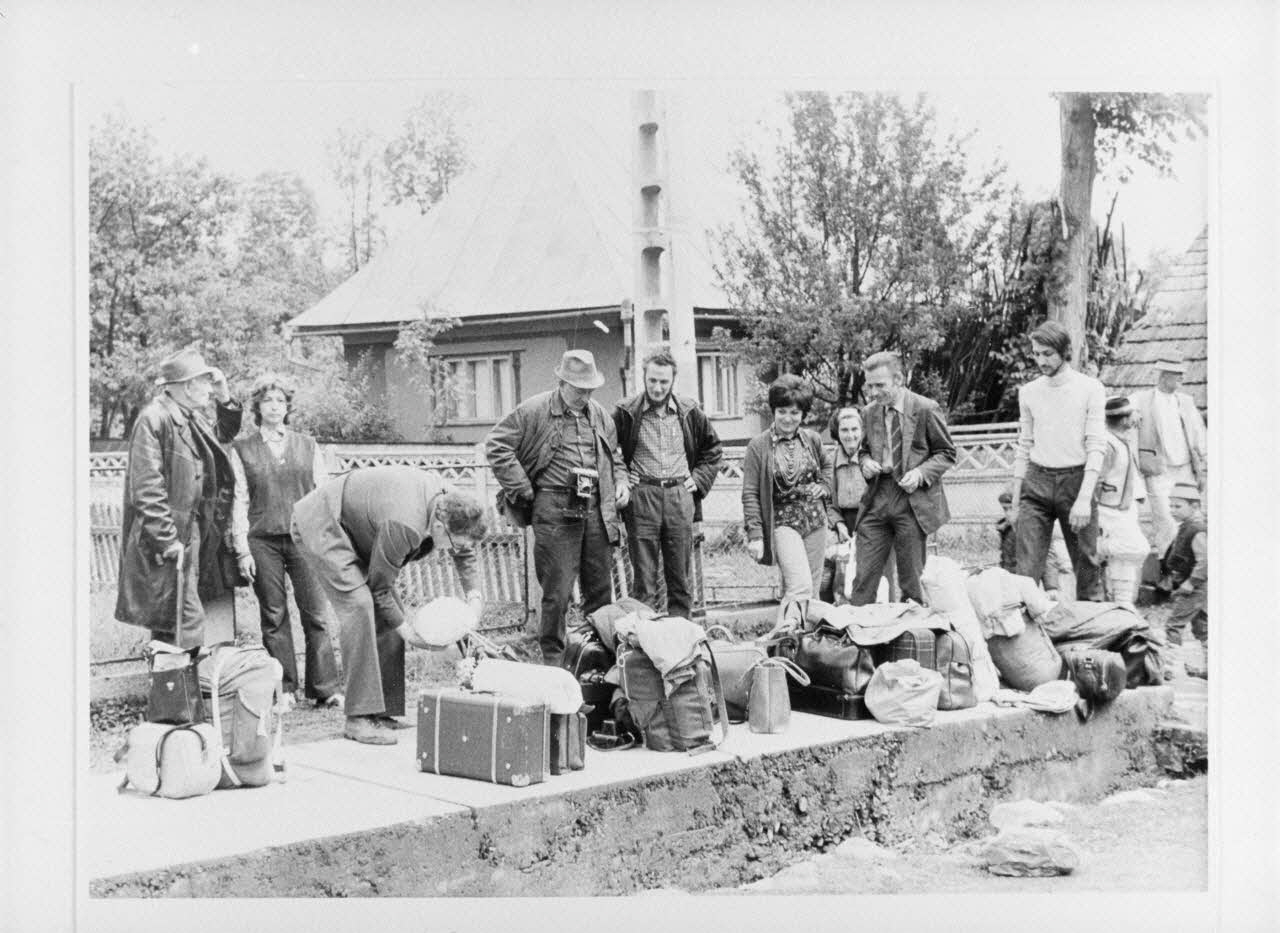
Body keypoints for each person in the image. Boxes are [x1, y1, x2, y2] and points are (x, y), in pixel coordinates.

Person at [291, 466, 486, 745]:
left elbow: (465, 550)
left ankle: (383, 711)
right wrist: (413, 636)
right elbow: (379, 588)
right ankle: (358, 718)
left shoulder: (455, 505)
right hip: (323, 524)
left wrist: (475, 600)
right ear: (440, 527)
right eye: (452, 544)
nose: (453, 550)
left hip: (356, 525)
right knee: (360, 607)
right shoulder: (405, 523)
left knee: (392, 613)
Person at [485, 350, 630, 667]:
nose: (586, 395)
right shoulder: (534, 410)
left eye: (590, 389)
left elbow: (615, 455)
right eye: (580, 389)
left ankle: (598, 661)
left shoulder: (600, 415)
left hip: (595, 509)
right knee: (557, 592)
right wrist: (522, 488)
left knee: (600, 590)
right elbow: (496, 445)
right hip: (553, 508)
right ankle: (554, 662)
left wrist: (621, 483)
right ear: (562, 382)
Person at [116, 348, 243, 648]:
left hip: (192, 532)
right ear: (187, 386)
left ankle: (168, 690)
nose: (210, 389)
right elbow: (147, 489)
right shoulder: (154, 419)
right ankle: (185, 692)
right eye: (206, 383)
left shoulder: (188, 417)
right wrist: (167, 541)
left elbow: (224, 434)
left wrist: (226, 396)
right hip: (171, 538)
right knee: (187, 618)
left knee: (170, 620)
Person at [229, 374, 342, 710]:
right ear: (258, 407)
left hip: (303, 540)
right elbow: (240, 500)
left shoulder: (307, 445)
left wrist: (325, 539)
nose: (274, 406)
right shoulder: (243, 449)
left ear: (287, 406)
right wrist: (242, 549)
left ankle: (325, 689)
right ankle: (285, 690)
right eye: (267, 401)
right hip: (262, 541)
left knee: (316, 614)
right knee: (274, 616)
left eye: (280, 400)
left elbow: (323, 495)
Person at [613, 349, 723, 618]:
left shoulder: (689, 411)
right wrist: (623, 478)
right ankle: (645, 642)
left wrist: (698, 480)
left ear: (673, 379)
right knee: (645, 580)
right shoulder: (625, 412)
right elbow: (610, 451)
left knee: (680, 578)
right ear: (644, 377)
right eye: (652, 381)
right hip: (642, 498)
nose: (658, 387)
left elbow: (713, 450)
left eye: (664, 381)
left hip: (678, 495)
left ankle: (680, 637)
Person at [1009, 321, 1106, 602]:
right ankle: (1027, 639)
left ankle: (1093, 635)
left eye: (1047, 354)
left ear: (1065, 352)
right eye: (1036, 354)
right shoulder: (1029, 392)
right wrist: (1016, 502)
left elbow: (1096, 445)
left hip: (1075, 482)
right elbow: (1024, 445)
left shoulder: (1090, 388)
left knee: (1087, 563)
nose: (1041, 360)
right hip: (1036, 483)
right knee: (1025, 568)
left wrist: (1084, 499)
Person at [849, 352, 955, 606]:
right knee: (863, 577)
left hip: (911, 501)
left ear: (898, 379)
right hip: (878, 497)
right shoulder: (869, 413)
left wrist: (920, 474)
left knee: (912, 581)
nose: (873, 392)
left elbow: (947, 453)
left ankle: (913, 640)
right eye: (869, 385)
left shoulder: (925, 409)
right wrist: (864, 462)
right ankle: (861, 641)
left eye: (879, 385)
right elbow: (862, 450)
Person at [742, 375, 833, 601]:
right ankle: (786, 632)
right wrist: (755, 534)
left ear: (803, 414)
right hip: (782, 523)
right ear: (773, 410)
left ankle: (801, 635)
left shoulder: (812, 439)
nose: (788, 418)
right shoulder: (758, 446)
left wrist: (823, 485)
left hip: (815, 521)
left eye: (795, 413)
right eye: (782, 411)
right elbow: (750, 493)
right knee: (799, 586)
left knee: (811, 591)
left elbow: (827, 466)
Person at [1129, 350, 1208, 553]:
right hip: (1158, 471)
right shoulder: (1140, 399)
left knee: (1189, 519)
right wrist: (1132, 413)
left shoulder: (1186, 401)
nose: (1182, 378)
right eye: (1177, 374)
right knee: (1165, 519)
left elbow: (1200, 433)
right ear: (1165, 375)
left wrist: (1205, 461)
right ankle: (1167, 565)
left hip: (1185, 470)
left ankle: (1184, 567)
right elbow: (1115, 409)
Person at [826, 406, 897, 601]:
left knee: (881, 575)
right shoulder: (830, 460)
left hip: (874, 520)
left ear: (863, 431)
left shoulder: (873, 457)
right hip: (845, 523)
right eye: (844, 430)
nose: (850, 435)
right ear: (837, 433)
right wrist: (839, 524)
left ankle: (887, 616)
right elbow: (828, 499)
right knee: (845, 576)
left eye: (855, 429)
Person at [1093, 396, 1152, 608]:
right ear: (1124, 419)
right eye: (1131, 415)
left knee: (1124, 559)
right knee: (1136, 548)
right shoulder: (1107, 444)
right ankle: (1098, 548)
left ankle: (1123, 604)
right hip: (1109, 508)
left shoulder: (1122, 438)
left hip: (1125, 506)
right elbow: (1095, 479)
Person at [1160, 482, 1208, 679]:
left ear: (1195, 506)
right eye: (1171, 506)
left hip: (1195, 586)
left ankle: (1167, 668)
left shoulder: (1196, 529)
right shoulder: (1187, 526)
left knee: (1174, 625)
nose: (1172, 510)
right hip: (1194, 585)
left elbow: (1205, 560)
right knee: (1202, 627)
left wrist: (1191, 583)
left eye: (1178, 506)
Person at [996, 489, 1071, 596]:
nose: (1008, 513)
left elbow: (1047, 557)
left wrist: (1051, 586)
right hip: (1011, 581)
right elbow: (1005, 559)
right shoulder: (1006, 529)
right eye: (1005, 509)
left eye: (1012, 508)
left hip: (1029, 581)